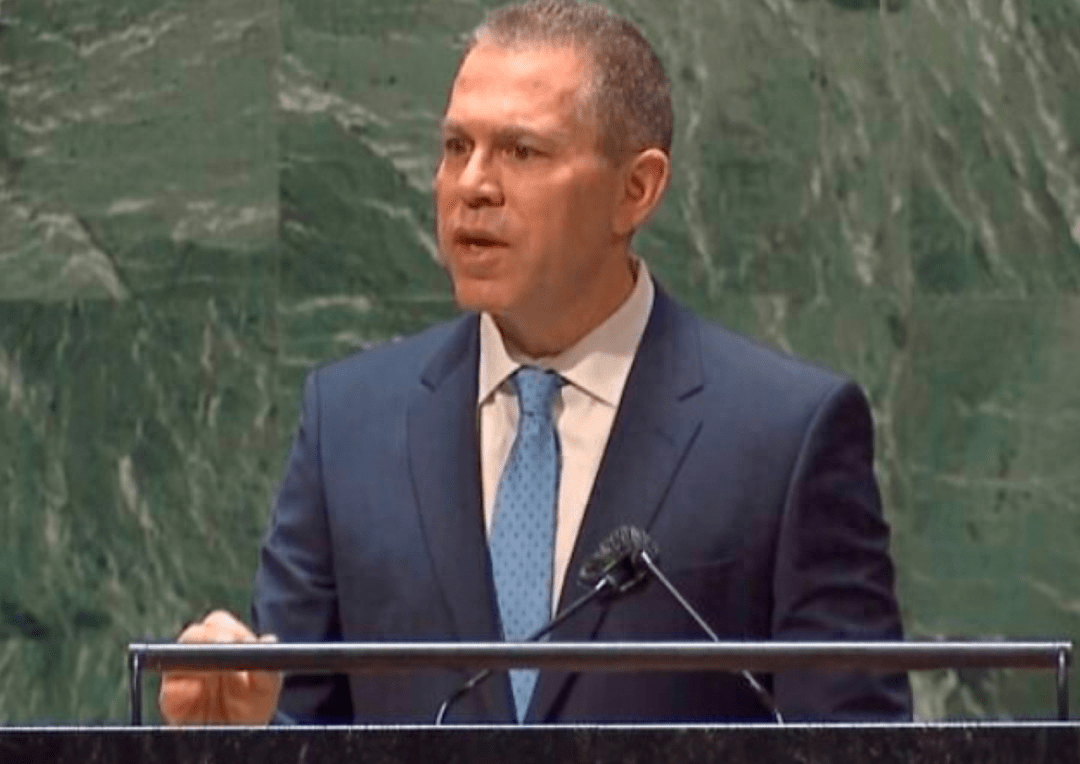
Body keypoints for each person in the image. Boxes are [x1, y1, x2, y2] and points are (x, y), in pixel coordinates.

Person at [159, 0, 911, 726]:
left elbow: (856, 740)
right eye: (457, 147)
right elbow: (302, 723)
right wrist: (232, 736)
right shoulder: (349, 425)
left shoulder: (783, 435)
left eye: (521, 151)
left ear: (636, 190)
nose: (472, 186)